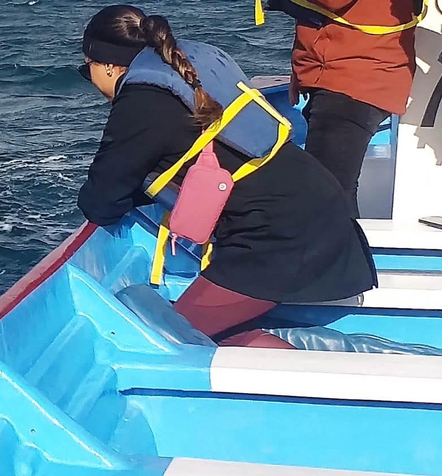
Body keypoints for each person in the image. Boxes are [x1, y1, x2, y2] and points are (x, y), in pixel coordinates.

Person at [77, 5, 378, 349]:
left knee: (177, 340)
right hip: (310, 205)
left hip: (281, 238)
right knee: (209, 331)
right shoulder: (189, 67)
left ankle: (324, 390)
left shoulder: (142, 103)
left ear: (108, 64)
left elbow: (100, 202)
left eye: (88, 71)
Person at [268, 0, 421, 217]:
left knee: (325, 193)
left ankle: (346, 249)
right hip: (348, 73)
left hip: (355, 77)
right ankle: (350, 247)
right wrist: (305, 71)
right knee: (332, 189)